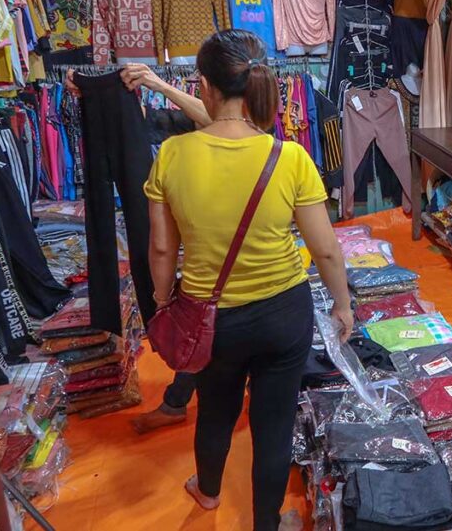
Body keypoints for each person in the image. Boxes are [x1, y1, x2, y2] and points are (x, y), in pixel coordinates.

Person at [143, 29, 353, 530]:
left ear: (204, 86)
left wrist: (161, 298)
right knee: (273, 424)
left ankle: (207, 491)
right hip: (284, 313)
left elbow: (162, 248)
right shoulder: (290, 157)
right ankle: (266, 523)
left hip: (211, 318)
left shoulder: (173, 154)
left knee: (215, 409)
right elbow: (325, 248)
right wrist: (342, 304)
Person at [65, 65, 210, 435]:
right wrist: (106, 98)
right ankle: (180, 400)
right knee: (206, 325)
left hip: (221, 254)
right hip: (214, 252)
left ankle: (182, 402)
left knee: (209, 325)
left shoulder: (243, 121)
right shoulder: (197, 123)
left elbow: (211, 116)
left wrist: (158, 84)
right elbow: (164, 121)